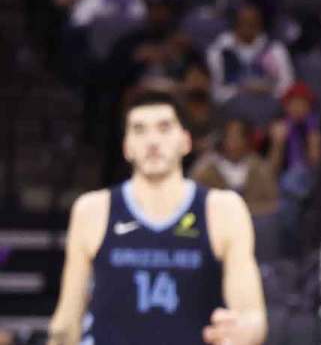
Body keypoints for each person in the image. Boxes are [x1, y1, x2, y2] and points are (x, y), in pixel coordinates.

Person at [47, 90, 266, 345]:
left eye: (164, 128)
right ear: (127, 147)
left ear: (186, 141)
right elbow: (67, 319)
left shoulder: (223, 210)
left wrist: (244, 331)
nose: (152, 141)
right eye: (139, 130)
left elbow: (252, 315)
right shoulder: (92, 211)